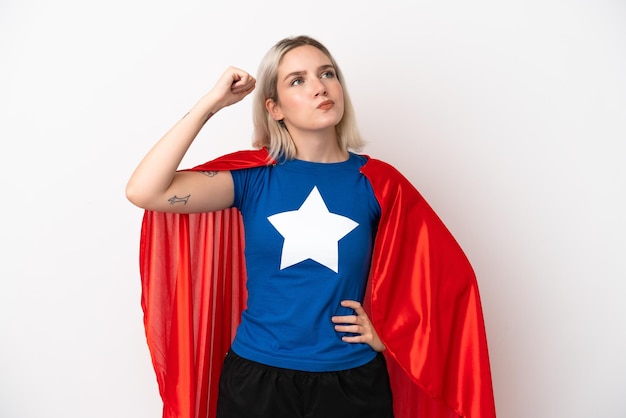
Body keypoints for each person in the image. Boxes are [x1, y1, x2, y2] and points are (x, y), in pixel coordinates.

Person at [126, 36, 496, 418]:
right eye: (297, 80)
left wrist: (392, 335)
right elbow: (144, 190)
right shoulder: (254, 180)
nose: (319, 86)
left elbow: (449, 283)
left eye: (327, 74)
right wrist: (210, 105)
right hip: (257, 382)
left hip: (351, 384)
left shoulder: (379, 183)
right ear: (275, 108)